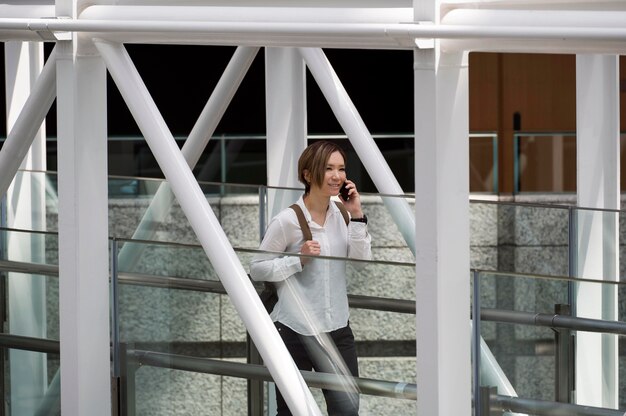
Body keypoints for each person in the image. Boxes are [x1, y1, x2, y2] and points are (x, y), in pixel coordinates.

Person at [250, 140, 372, 416]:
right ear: (307, 174)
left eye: (341, 169)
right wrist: (298, 260)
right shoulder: (288, 220)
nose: (337, 176)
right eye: (328, 168)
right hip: (295, 331)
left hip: (338, 329)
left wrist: (357, 216)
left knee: (347, 411)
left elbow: (362, 263)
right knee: (292, 411)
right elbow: (257, 267)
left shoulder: (343, 213)